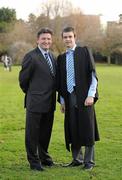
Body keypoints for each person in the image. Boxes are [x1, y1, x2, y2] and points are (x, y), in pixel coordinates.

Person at [57, 27, 100, 170]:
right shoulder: (61, 58)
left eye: (70, 36)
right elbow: (60, 82)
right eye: (65, 37)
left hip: (84, 95)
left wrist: (91, 95)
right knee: (72, 127)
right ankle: (77, 159)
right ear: (62, 39)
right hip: (69, 97)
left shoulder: (84, 51)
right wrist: (62, 101)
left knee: (87, 128)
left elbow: (92, 74)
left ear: (75, 37)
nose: (68, 39)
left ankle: (89, 162)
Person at [19, 28, 56, 171]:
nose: (46, 41)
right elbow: (23, 80)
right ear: (37, 40)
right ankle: (34, 162)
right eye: (43, 39)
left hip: (50, 103)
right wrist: (33, 94)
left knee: (45, 133)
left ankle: (44, 157)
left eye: (48, 39)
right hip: (35, 103)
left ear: (51, 40)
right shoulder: (31, 56)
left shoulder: (52, 56)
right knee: (32, 134)